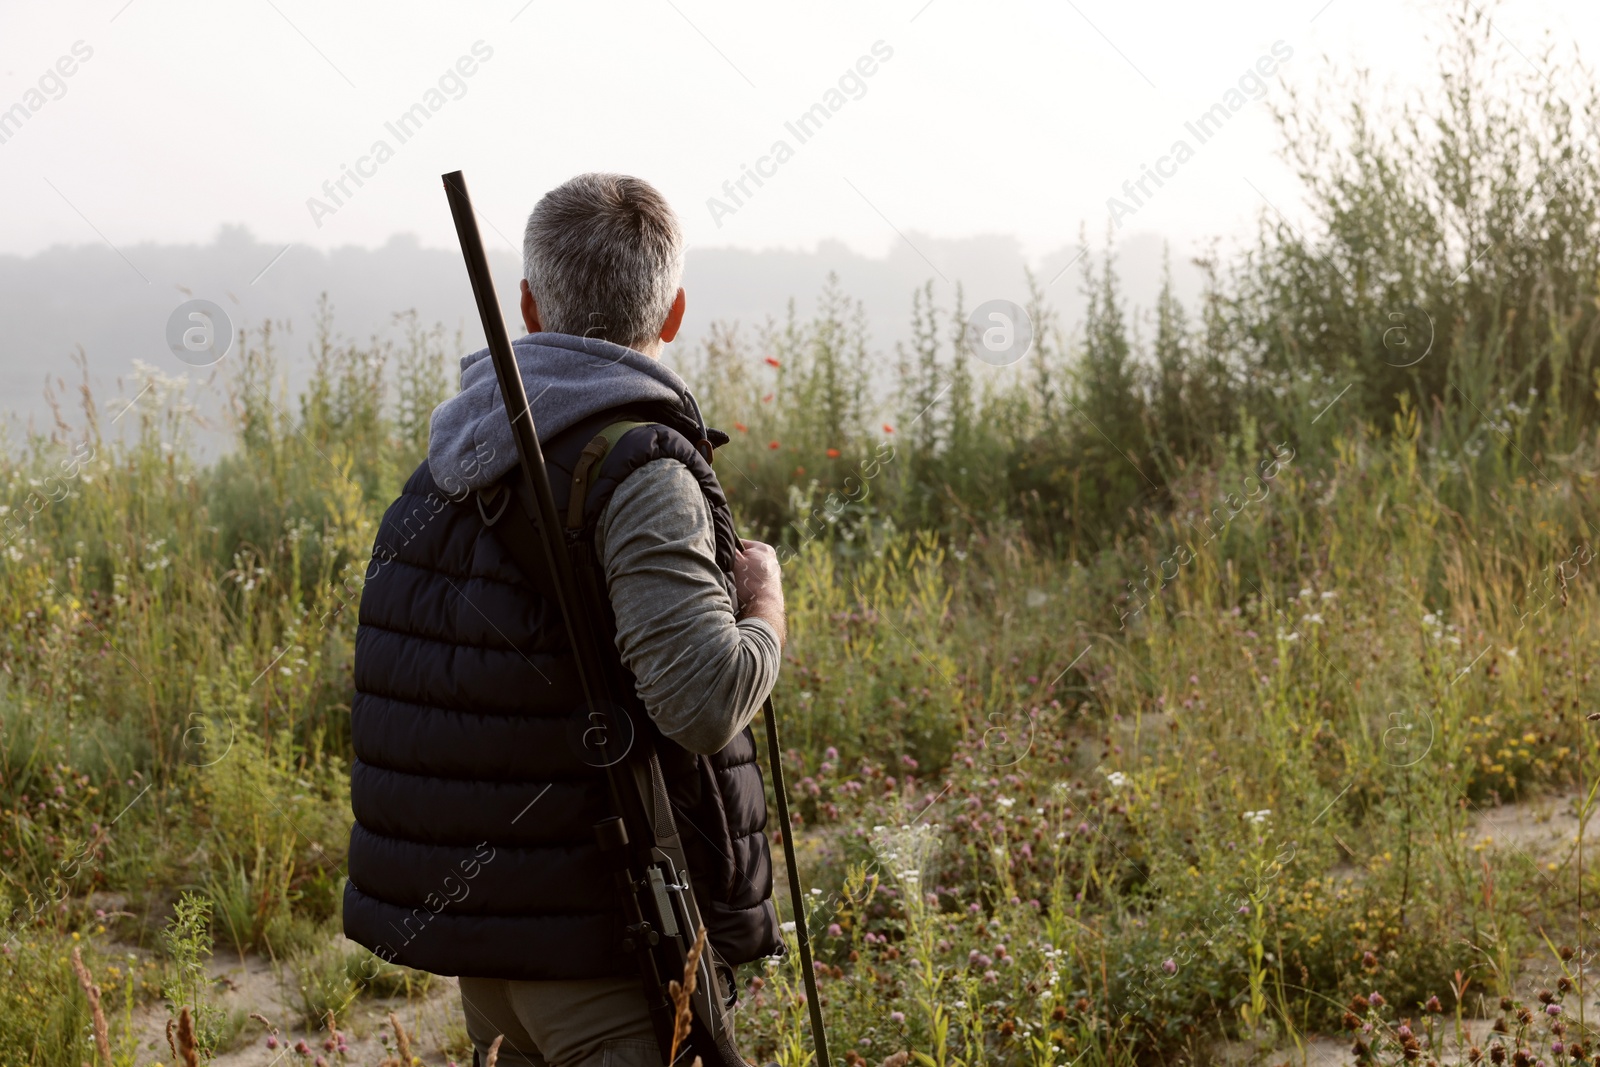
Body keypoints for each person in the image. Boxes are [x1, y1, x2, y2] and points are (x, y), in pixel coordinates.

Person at [342, 173, 784, 1067]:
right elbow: (703, 701)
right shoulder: (641, 468)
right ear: (675, 313)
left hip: (493, 957)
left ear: (529, 305)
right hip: (610, 949)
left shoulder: (452, 466)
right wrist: (765, 599)